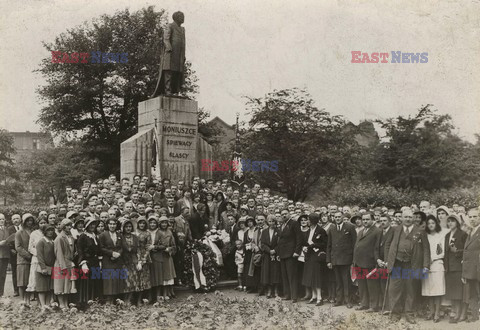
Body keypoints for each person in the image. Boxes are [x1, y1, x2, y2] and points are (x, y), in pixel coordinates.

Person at [386, 209, 430, 324]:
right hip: (397, 263)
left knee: (410, 289)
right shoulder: (395, 229)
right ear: (401, 218)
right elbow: (387, 244)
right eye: (405, 217)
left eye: (410, 217)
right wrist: (388, 261)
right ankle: (395, 313)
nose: (408, 219)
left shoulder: (420, 231)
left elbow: (426, 249)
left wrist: (426, 265)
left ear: (413, 218)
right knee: (395, 289)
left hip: (412, 264)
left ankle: (409, 313)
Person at [327, 211, 357, 308]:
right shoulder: (331, 229)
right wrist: (329, 260)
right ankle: (339, 300)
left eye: (339, 217)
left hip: (346, 259)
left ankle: (348, 300)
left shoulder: (350, 227)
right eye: (336, 217)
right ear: (334, 218)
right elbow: (329, 246)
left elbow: (354, 244)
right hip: (335, 259)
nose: (337, 218)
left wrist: (353, 259)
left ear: (342, 217)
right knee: (338, 281)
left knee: (346, 281)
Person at [353, 212, 382, 312]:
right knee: (362, 285)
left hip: (370, 262)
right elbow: (357, 246)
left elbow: (377, 247)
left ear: (372, 220)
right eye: (363, 219)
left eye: (367, 219)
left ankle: (374, 306)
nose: (365, 221)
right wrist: (354, 260)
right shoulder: (361, 231)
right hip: (359, 262)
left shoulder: (377, 231)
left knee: (372, 285)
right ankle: (364, 303)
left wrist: (376, 261)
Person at [444, 214, 468, 323]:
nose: (450, 223)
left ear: (457, 222)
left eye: (452, 221)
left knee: (459, 292)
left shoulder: (463, 234)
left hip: (459, 267)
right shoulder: (447, 235)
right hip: (449, 267)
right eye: (448, 221)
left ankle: (459, 314)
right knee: (453, 292)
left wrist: (457, 251)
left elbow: (467, 251)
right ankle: (455, 313)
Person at [422, 216, 446, 322]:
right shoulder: (425, 236)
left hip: (437, 264)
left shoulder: (440, 236)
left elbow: (442, 252)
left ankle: (437, 313)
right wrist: (426, 262)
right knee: (429, 291)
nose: (431, 225)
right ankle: (431, 311)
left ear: (436, 224)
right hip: (426, 266)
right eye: (429, 223)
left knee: (437, 290)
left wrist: (433, 258)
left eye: (433, 223)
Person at [302, 213, 328, 306]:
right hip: (309, 256)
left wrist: (314, 245)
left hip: (317, 256)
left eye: (308, 219)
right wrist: (306, 247)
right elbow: (306, 242)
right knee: (310, 277)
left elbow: (325, 244)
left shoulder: (321, 230)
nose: (307, 221)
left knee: (317, 277)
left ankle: (320, 298)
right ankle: (314, 296)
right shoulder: (309, 231)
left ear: (313, 220)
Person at [277, 209, 302, 303]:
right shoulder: (281, 225)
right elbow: (280, 241)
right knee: (284, 275)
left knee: (292, 275)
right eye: (282, 214)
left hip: (291, 253)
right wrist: (279, 253)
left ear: (289, 214)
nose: (284, 216)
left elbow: (299, 238)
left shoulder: (294, 224)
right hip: (283, 253)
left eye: (285, 214)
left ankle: (294, 296)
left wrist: (297, 251)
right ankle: (287, 294)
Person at [76, 217, 102, 306]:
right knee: (87, 283)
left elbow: (98, 250)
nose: (92, 226)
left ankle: (95, 302)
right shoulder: (83, 237)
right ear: (87, 226)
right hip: (87, 263)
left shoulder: (95, 236)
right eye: (90, 224)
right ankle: (86, 303)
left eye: (94, 224)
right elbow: (80, 250)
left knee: (95, 282)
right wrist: (83, 263)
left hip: (95, 262)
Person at [99, 218, 124, 304]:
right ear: (108, 225)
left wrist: (118, 254)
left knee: (115, 279)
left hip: (117, 260)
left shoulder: (119, 235)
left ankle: (114, 300)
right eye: (111, 224)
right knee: (108, 280)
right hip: (108, 260)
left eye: (114, 224)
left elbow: (121, 247)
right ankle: (108, 301)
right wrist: (111, 253)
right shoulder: (103, 235)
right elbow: (101, 248)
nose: (112, 226)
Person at [461, 208, 480, 322]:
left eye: (475, 216)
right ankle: (474, 315)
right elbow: (466, 252)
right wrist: (465, 272)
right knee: (472, 293)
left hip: (478, 268)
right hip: (470, 270)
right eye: (470, 217)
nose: (472, 219)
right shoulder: (470, 232)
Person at [54, 219, 76, 309]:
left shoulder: (70, 236)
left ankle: (66, 303)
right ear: (63, 226)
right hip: (61, 263)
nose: (69, 227)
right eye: (67, 225)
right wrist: (62, 266)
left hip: (69, 262)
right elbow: (59, 253)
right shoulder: (59, 238)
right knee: (60, 284)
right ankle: (61, 304)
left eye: (70, 225)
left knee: (67, 285)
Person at [376, 214, 394, 313]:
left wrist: (388, 261)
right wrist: (378, 259)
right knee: (382, 286)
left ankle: (390, 307)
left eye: (385, 220)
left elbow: (392, 248)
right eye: (381, 221)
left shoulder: (394, 231)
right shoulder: (379, 232)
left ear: (389, 221)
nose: (382, 222)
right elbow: (375, 248)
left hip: (389, 263)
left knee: (390, 287)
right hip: (380, 263)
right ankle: (385, 306)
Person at [260, 215, 281, 298]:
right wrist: (269, 251)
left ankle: (276, 290)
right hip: (267, 255)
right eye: (269, 221)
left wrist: (275, 250)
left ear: (275, 222)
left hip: (276, 255)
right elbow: (262, 244)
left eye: (273, 221)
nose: (271, 223)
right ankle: (269, 290)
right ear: (267, 222)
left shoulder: (278, 231)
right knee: (267, 273)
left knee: (275, 273)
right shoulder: (264, 231)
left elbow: (280, 243)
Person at [15, 213, 34, 304]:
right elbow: (18, 247)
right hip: (23, 260)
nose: (29, 222)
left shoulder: (33, 232)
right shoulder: (19, 232)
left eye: (31, 221)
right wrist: (28, 256)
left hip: (32, 260)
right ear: (24, 221)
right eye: (27, 221)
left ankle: (28, 300)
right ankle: (23, 301)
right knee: (22, 282)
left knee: (28, 281)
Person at [35, 225, 56, 309]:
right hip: (43, 267)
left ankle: (47, 304)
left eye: (52, 230)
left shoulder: (53, 242)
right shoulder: (41, 242)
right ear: (44, 232)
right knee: (42, 288)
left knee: (49, 288)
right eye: (48, 230)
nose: (50, 232)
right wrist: (43, 267)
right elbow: (39, 256)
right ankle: (43, 305)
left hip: (51, 267)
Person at [26, 217, 48, 295]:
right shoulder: (34, 233)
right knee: (35, 278)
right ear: (38, 224)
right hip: (37, 258)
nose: (43, 225)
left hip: (47, 259)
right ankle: (35, 296)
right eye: (41, 223)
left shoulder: (49, 233)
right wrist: (38, 254)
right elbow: (30, 247)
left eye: (44, 223)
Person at [157, 216, 177, 299]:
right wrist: (162, 248)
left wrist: (170, 249)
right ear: (160, 224)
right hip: (161, 255)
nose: (164, 224)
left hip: (168, 255)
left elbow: (173, 245)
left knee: (170, 273)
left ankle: (170, 291)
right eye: (162, 223)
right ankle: (165, 292)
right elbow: (156, 244)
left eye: (165, 222)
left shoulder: (169, 232)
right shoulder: (158, 232)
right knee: (164, 274)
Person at [243, 217, 261, 293]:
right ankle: (250, 286)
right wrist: (246, 247)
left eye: (251, 221)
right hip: (248, 253)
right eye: (248, 222)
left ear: (253, 222)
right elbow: (244, 242)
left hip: (256, 251)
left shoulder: (257, 230)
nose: (249, 223)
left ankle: (257, 287)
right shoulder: (246, 232)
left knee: (256, 269)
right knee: (248, 269)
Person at [7, 214, 21, 296]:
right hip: (14, 253)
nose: (16, 220)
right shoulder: (9, 229)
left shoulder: (23, 228)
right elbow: (7, 240)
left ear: (20, 220)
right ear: (12, 221)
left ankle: (24, 289)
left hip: (23, 253)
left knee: (23, 271)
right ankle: (16, 290)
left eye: (17, 218)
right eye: (14, 219)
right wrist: (11, 249)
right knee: (15, 272)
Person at [0, 214, 11, 297]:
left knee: (3, 275)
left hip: (5, 255)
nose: (2, 221)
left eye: (3, 219)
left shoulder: (7, 229)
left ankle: (1, 293)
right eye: (0, 219)